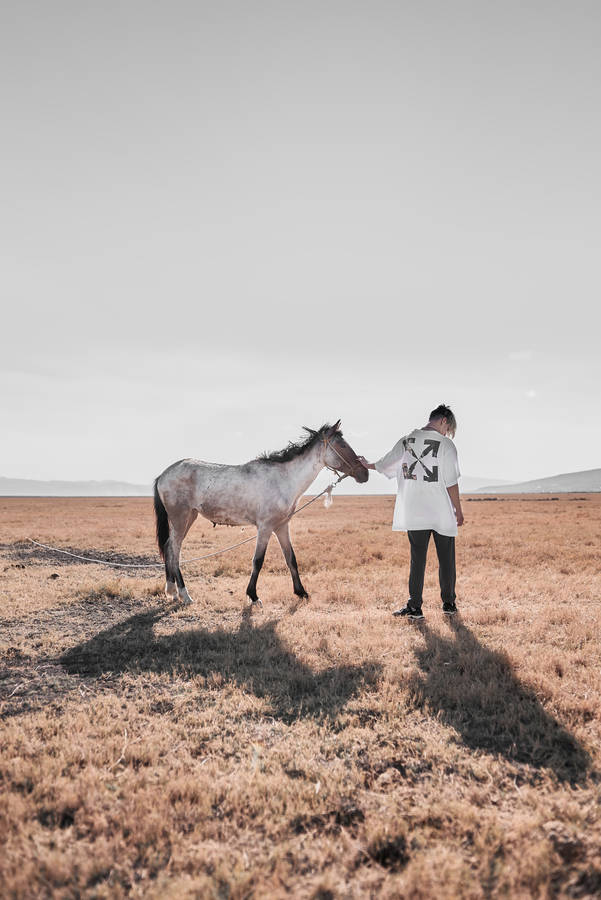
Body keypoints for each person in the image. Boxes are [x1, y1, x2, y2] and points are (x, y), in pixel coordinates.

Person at [358, 404, 464, 620]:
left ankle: (415, 607)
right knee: (446, 559)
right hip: (440, 510)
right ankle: (449, 604)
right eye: (448, 428)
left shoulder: (407, 440)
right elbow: (451, 483)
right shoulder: (446, 445)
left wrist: (367, 465)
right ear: (444, 420)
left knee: (418, 559)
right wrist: (458, 510)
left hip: (414, 511)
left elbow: (385, 463)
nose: (447, 433)